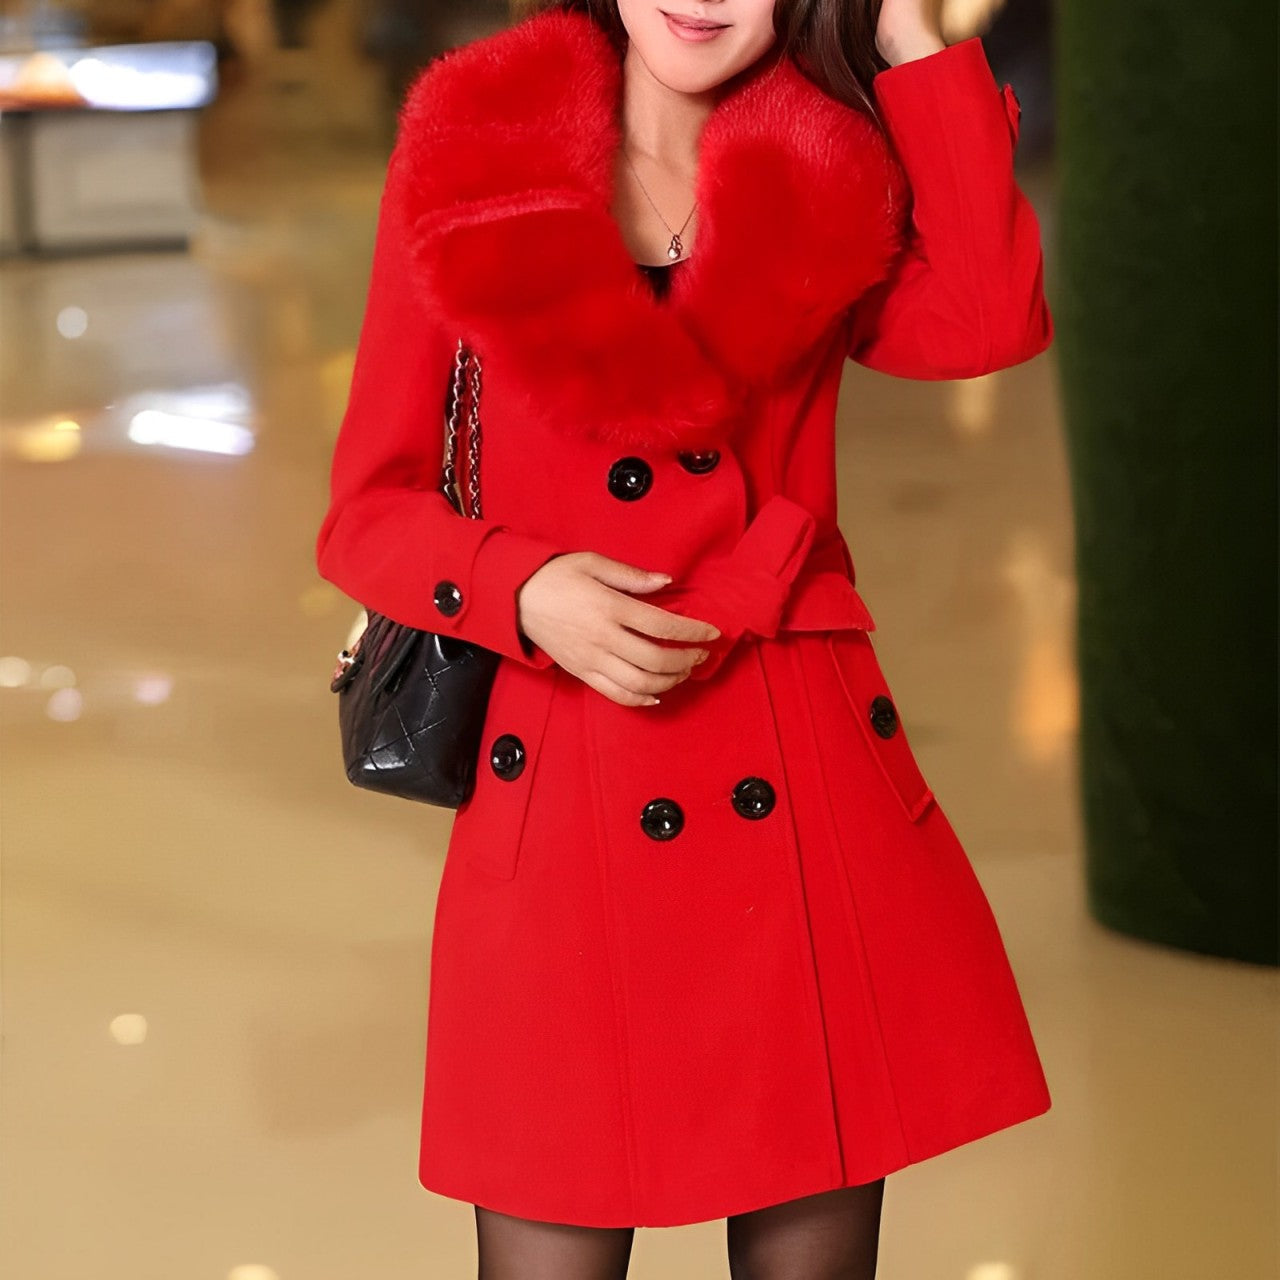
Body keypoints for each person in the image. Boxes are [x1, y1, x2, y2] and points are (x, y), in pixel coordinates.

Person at [315, 1, 1053, 1276]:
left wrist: (915, 45)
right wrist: (522, 587)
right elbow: (366, 511)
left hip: (795, 778)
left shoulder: (829, 162)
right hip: (564, 784)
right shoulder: (475, 148)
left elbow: (987, 321)